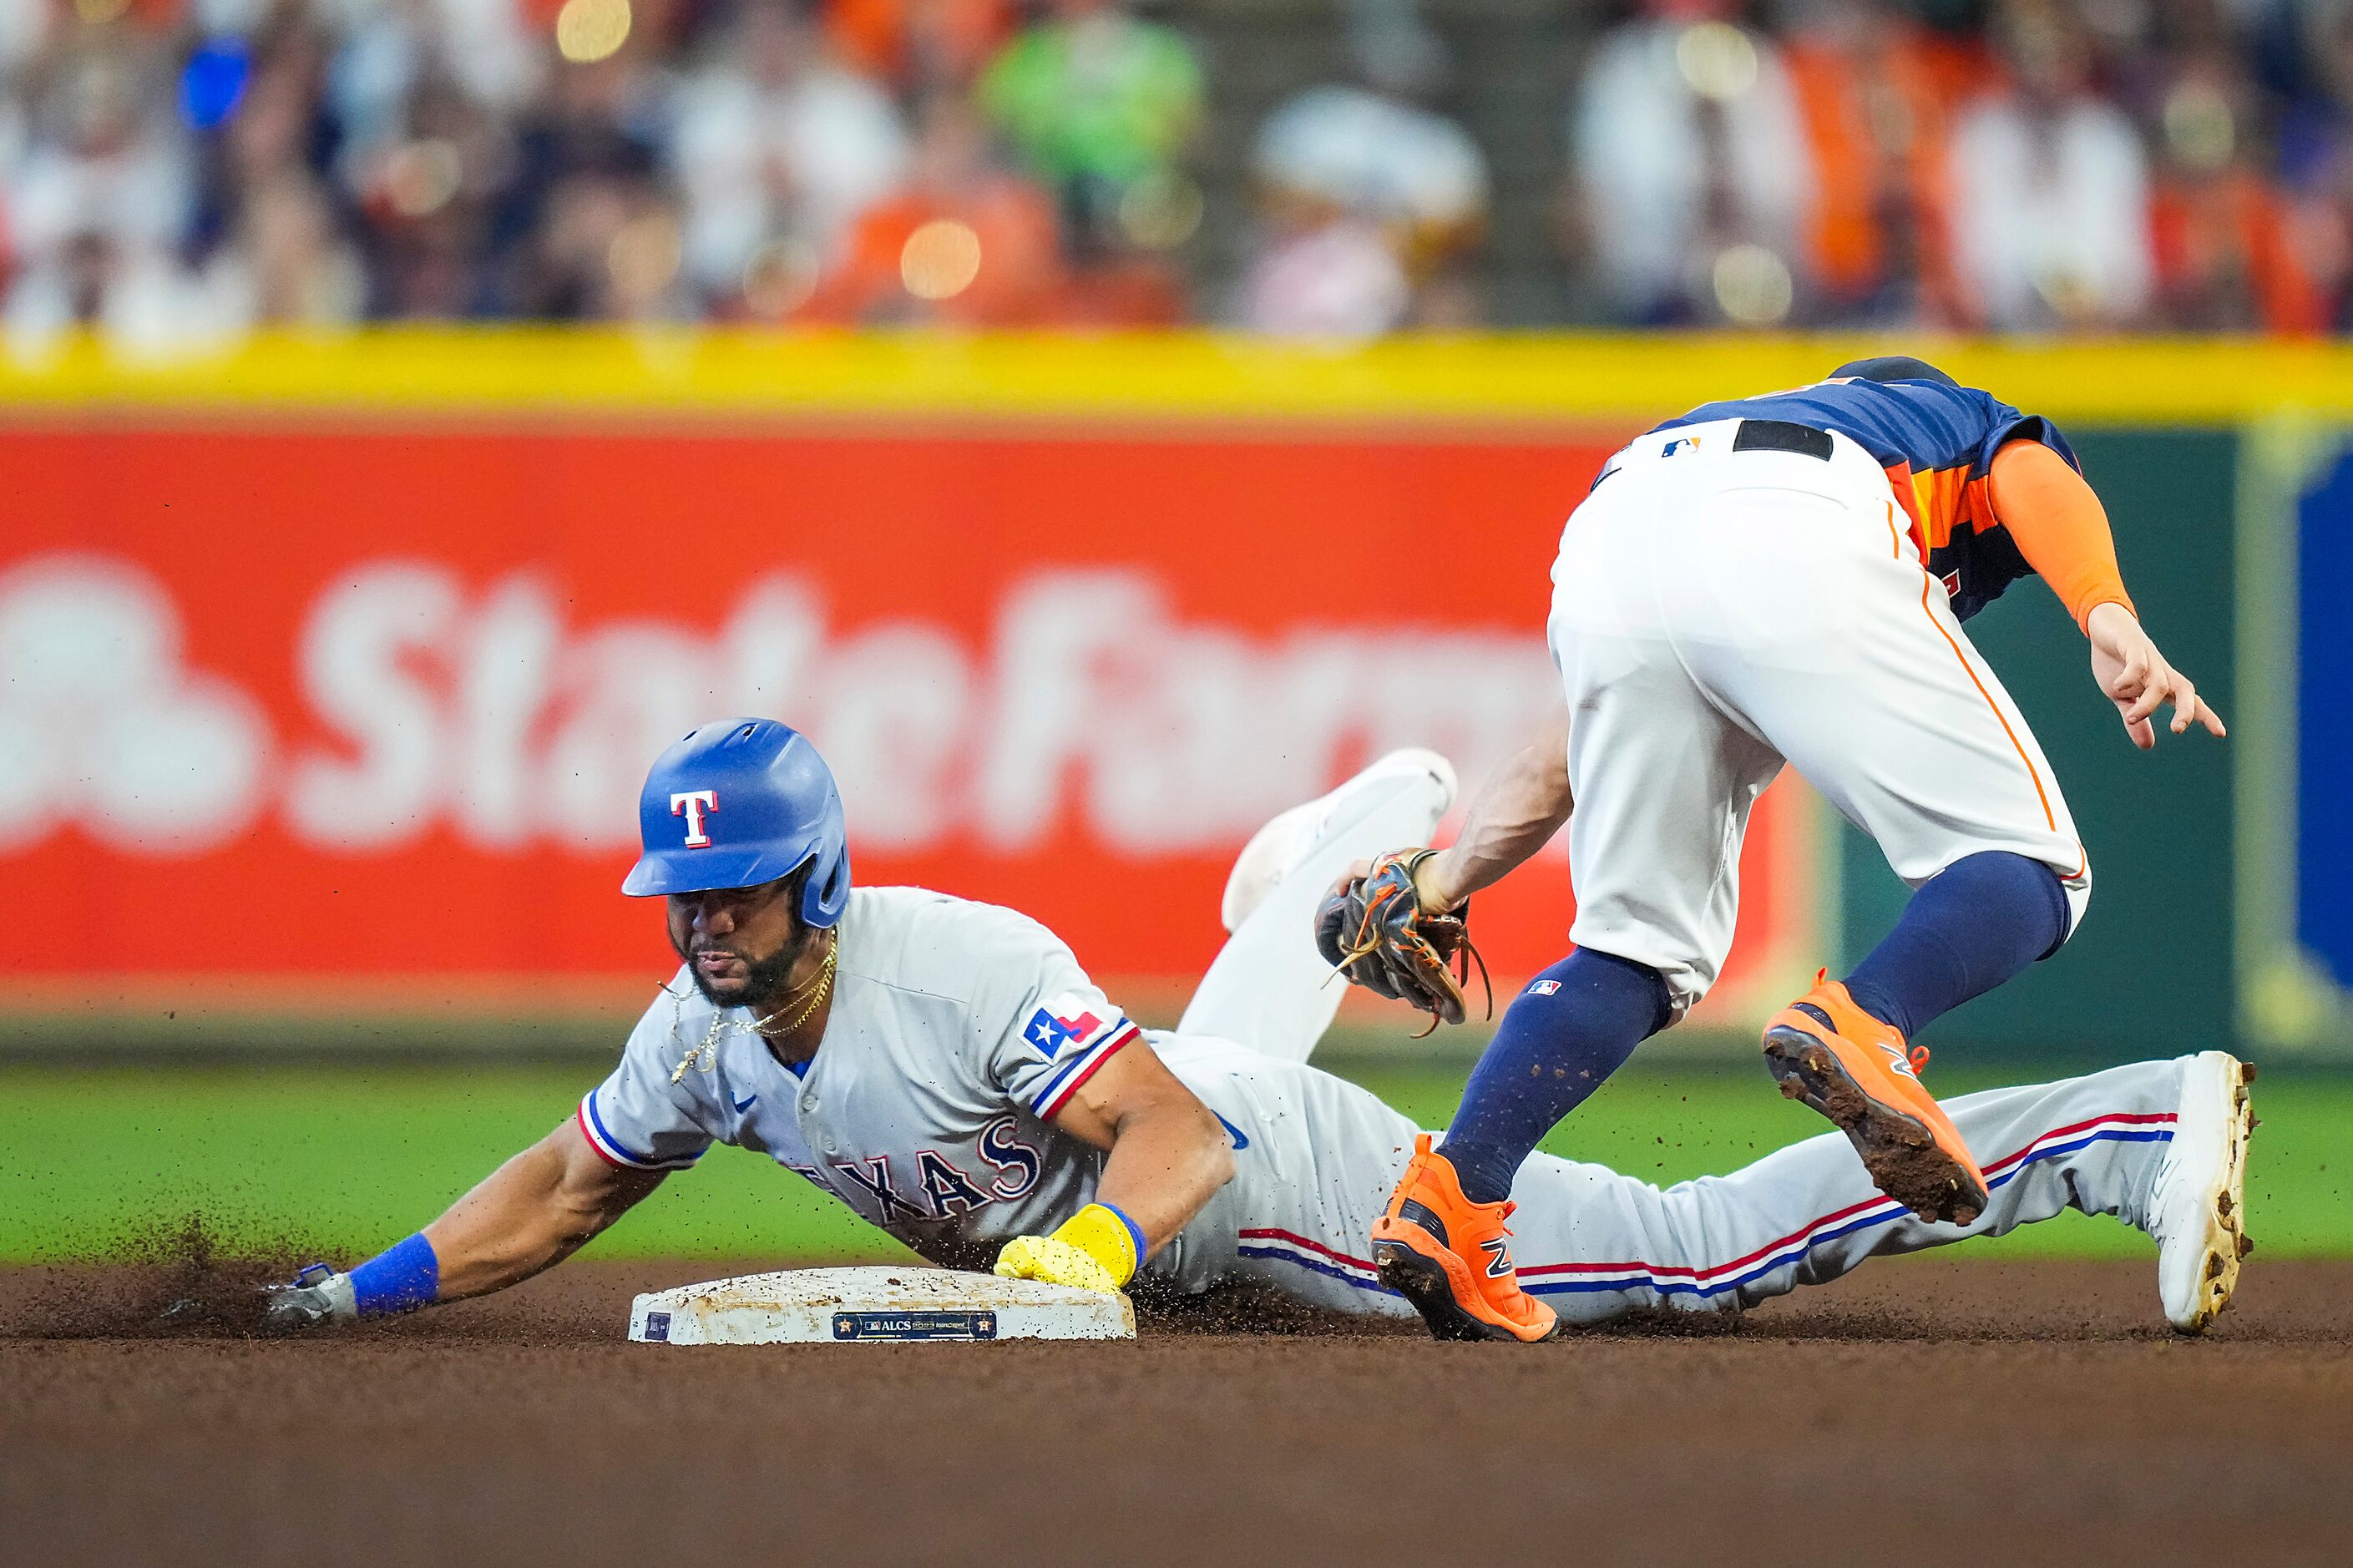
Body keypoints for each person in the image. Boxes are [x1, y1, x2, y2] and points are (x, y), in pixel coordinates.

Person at [264, 717, 2251, 1342]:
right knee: (1211, 1064)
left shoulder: (943, 961)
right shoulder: (694, 1032)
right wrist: (359, 1293)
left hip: (1255, 1182)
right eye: (681, 900)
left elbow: (1182, 1147)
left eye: (737, 894)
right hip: (1180, 1139)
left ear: (822, 887)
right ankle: (1306, 901)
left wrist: (1086, 1255)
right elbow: (561, 1183)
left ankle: (2126, 1128)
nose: (701, 927)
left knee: (1692, 1254)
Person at [1343, 354, 2229, 1343]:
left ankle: (1450, 1204)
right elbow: (2022, 460)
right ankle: (1868, 1022)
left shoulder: (1722, 455)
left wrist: (1443, 877)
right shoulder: (1934, 419)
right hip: (1799, 509)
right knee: (2034, 864)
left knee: (1635, 952)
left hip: (1610, 527)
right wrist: (2108, 612)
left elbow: (1561, 761)